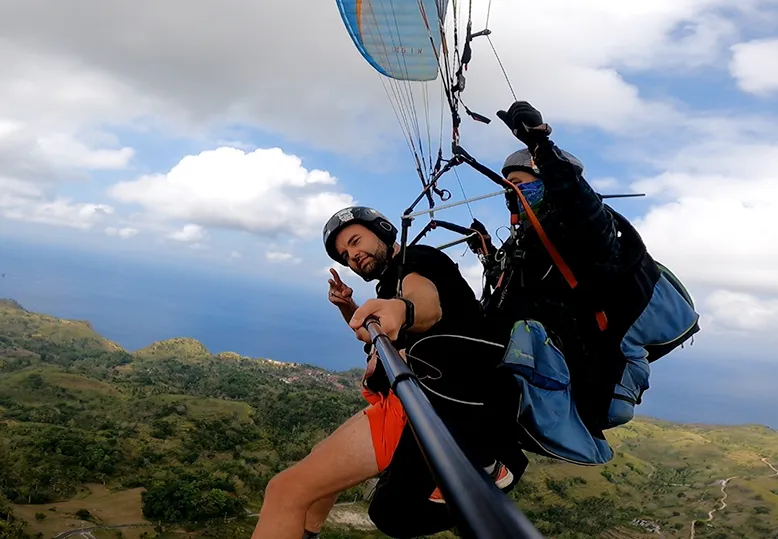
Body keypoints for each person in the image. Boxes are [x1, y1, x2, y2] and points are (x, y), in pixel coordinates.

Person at [251, 206, 525, 539]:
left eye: (355, 241)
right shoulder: (388, 286)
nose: (353, 256)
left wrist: (405, 310)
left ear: (381, 229)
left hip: (427, 404)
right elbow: (376, 334)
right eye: (345, 255)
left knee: (284, 491)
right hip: (405, 400)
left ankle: (482, 476)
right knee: (318, 484)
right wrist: (348, 308)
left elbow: (425, 303)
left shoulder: (419, 262)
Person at [467, 101, 700, 465]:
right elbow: (520, 287)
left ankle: (495, 461)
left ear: (548, 182)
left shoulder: (589, 227)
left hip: (583, 362)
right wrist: (486, 252)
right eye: (507, 187)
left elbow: (578, 204)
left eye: (519, 184)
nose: (511, 193)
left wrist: (541, 148)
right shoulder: (532, 241)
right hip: (552, 354)